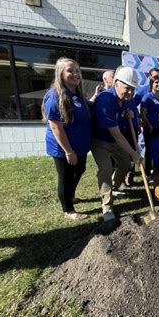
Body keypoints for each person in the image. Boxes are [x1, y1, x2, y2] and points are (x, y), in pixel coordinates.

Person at [91, 67, 143, 223]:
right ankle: (107, 207)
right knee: (106, 169)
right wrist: (134, 153)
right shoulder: (105, 99)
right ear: (116, 83)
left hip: (115, 141)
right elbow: (116, 133)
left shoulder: (127, 99)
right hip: (100, 141)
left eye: (133, 89)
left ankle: (112, 188)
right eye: (127, 88)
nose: (130, 93)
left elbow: (127, 118)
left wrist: (130, 115)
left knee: (126, 165)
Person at [41, 57, 91, 220]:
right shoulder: (55, 96)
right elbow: (56, 126)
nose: (75, 74)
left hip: (80, 145)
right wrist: (68, 151)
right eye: (70, 70)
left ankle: (71, 195)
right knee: (66, 176)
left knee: (80, 169)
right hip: (64, 148)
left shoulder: (77, 94)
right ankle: (68, 210)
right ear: (60, 74)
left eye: (77, 71)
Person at [140, 76, 159, 178]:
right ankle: (147, 173)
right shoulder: (147, 97)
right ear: (151, 84)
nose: (158, 85)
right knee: (149, 151)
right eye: (156, 83)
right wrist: (149, 125)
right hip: (150, 129)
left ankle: (158, 170)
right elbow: (142, 114)